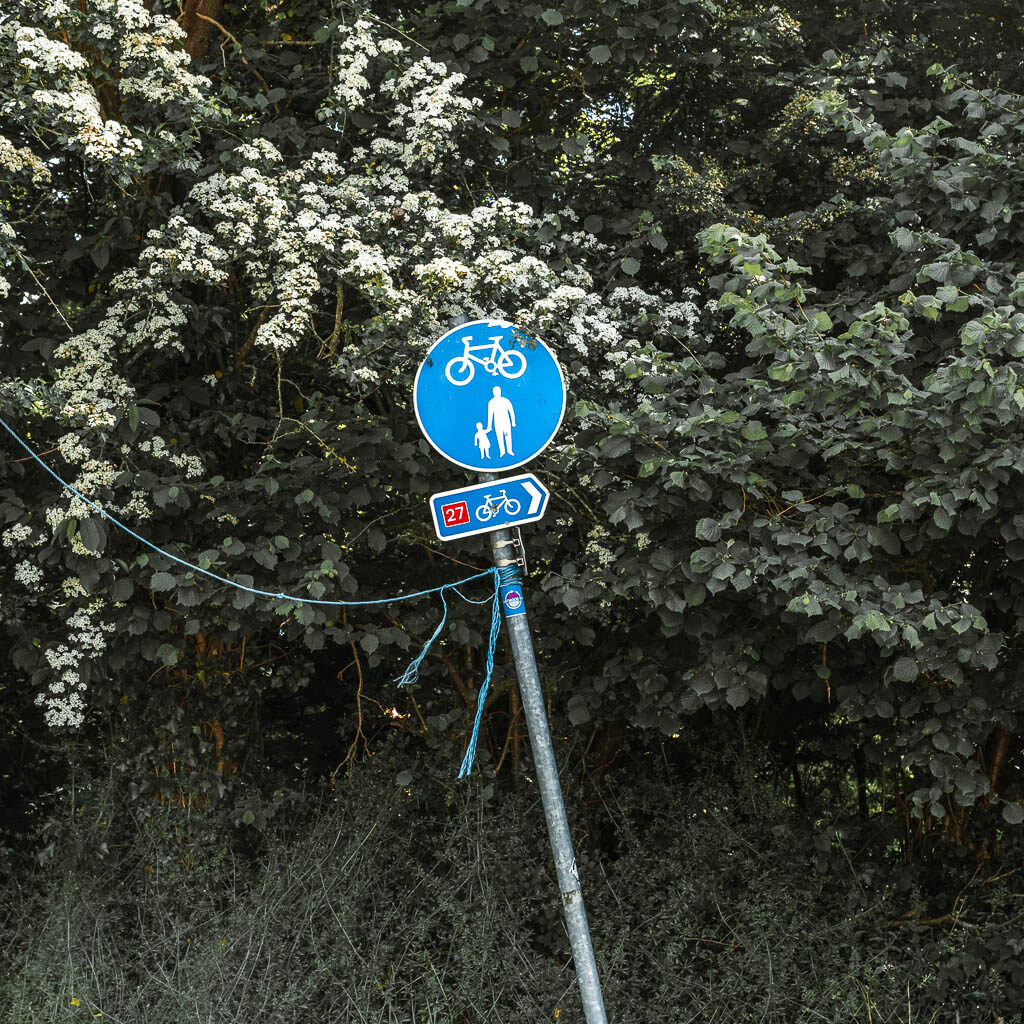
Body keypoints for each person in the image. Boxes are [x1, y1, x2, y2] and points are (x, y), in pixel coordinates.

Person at [486, 386, 516, 457]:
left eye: (497, 391)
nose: (496, 392)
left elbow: (511, 411)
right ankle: (502, 452)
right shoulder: (491, 402)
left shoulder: (505, 400)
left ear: (500, 392)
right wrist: (489, 426)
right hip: (497, 423)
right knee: (499, 437)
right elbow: (490, 415)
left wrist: (513, 422)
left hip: (506, 422)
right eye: (495, 391)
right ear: (493, 393)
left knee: (507, 436)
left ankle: (509, 450)